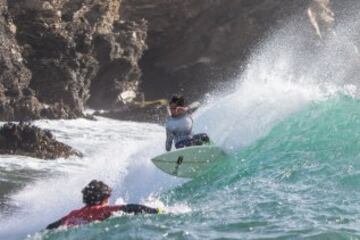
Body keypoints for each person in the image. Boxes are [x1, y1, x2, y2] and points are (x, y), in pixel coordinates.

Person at [46, 180, 160, 229]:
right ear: (105, 197)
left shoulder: (74, 213)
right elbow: (130, 208)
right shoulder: (101, 210)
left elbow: (51, 226)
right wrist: (157, 211)